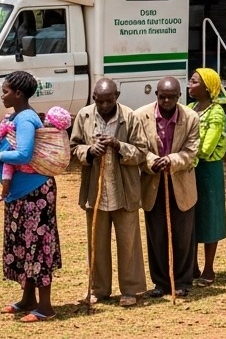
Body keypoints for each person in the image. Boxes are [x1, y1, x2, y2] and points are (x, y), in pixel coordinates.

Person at [0, 71, 61, 322]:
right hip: (21, 195)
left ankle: (45, 307)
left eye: (6, 90)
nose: (2, 94)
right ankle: (28, 299)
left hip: (34, 194)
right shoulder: (16, 116)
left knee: (37, 246)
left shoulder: (26, 119)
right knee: (22, 244)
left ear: (18, 93)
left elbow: (24, 155)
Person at [68, 78, 149, 307]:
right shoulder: (84, 116)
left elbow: (141, 152)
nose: (104, 105)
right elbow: (73, 149)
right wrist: (90, 151)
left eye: (109, 100)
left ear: (117, 96)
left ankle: (131, 290)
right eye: (100, 101)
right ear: (94, 98)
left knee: (129, 243)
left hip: (124, 191)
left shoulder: (129, 116)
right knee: (97, 244)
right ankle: (99, 289)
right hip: (96, 192)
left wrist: (118, 145)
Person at [137, 76, 199, 299]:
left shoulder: (191, 117)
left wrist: (172, 160)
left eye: (170, 98)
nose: (165, 101)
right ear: (156, 95)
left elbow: (192, 152)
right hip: (153, 183)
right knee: (157, 235)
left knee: (183, 235)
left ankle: (182, 280)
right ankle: (161, 282)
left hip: (180, 183)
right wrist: (152, 160)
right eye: (162, 97)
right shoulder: (141, 115)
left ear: (179, 97)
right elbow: (139, 148)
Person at [187, 68, 226, 285]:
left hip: (208, 171)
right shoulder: (189, 108)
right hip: (190, 170)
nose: (189, 84)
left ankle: (209, 269)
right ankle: (192, 266)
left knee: (210, 217)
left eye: (194, 81)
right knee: (191, 216)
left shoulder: (216, 112)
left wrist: (186, 153)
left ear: (207, 87)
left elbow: (207, 147)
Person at [0, 106, 69, 202]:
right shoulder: (58, 133)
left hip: (30, 190)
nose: (3, 96)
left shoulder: (27, 121)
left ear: (18, 93)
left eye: (6, 92)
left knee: (8, 164)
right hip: (41, 182)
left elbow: (23, 155)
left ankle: (5, 191)